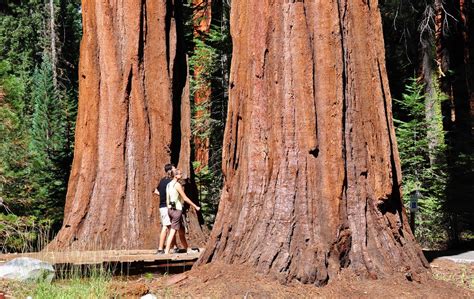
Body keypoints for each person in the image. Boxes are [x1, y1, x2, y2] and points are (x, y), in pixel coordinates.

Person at [164, 169, 201, 254]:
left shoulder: (168, 185)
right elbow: (185, 198)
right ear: (175, 176)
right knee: (173, 231)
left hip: (170, 210)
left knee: (181, 231)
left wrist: (168, 208)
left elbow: (167, 199)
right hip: (177, 210)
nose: (181, 175)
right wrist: (195, 206)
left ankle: (187, 249)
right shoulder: (177, 185)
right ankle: (166, 251)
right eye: (180, 174)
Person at [154, 163, 175, 254]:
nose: (175, 170)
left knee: (171, 227)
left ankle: (175, 247)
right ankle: (160, 248)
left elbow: (156, 191)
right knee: (166, 227)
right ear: (170, 171)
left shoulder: (162, 180)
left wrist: (162, 195)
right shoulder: (170, 182)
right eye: (174, 169)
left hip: (162, 206)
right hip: (167, 206)